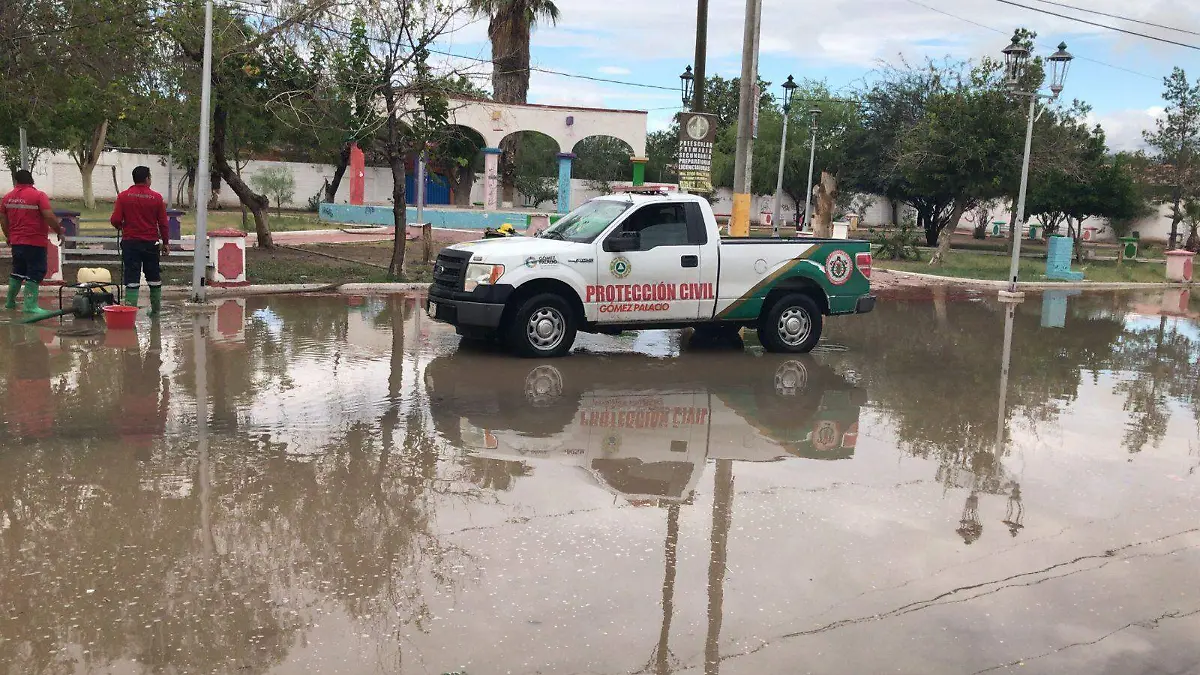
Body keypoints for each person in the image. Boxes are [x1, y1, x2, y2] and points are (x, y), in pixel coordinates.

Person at [1, 170, 64, 315]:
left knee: (18, 271)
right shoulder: (38, 196)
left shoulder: (7, 198)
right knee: (35, 271)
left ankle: (10, 303)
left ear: (16, 181)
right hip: (35, 241)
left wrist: (9, 236)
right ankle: (30, 306)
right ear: (31, 180)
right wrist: (59, 230)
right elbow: (48, 216)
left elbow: (3, 219)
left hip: (17, 242)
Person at [111, 165, 169, 317]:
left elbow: (115, 219)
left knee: (132, 277)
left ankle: (130, 315)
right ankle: (155, 312)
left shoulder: (123, 197)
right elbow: (163, 223)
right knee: (154, 276)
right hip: (151, 244)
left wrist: (122, 226)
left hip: (130, 243)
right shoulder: (156, 198)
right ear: (147, 179)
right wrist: (166, 243)